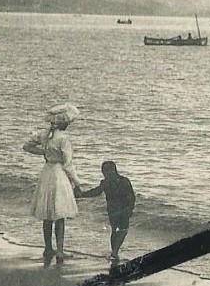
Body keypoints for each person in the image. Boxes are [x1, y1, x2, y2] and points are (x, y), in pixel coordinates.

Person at [23, 103, 82, 264]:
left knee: (47, 215)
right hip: (58, 175)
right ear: (63, 123)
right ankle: (60, 251)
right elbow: (68, 164)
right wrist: (76, 182)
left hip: (47, 172)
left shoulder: (44, 135)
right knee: (60, 215)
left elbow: (26, 146)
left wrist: (44, 152)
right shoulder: (64, 139)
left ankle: (48, 247)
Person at [76, 160, 136, 262]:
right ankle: (115, 252)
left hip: (115, 209)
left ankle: (114, 252)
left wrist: (82, 194)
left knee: (115, 230)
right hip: (122, 209)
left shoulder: (106, 182)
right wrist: (130, 207)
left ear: (114, 170)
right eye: (104, 172)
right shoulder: (124, 180)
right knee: (123, 230)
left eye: (107, 171)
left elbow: (96, 192)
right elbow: (131, 196)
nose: (106, 174)